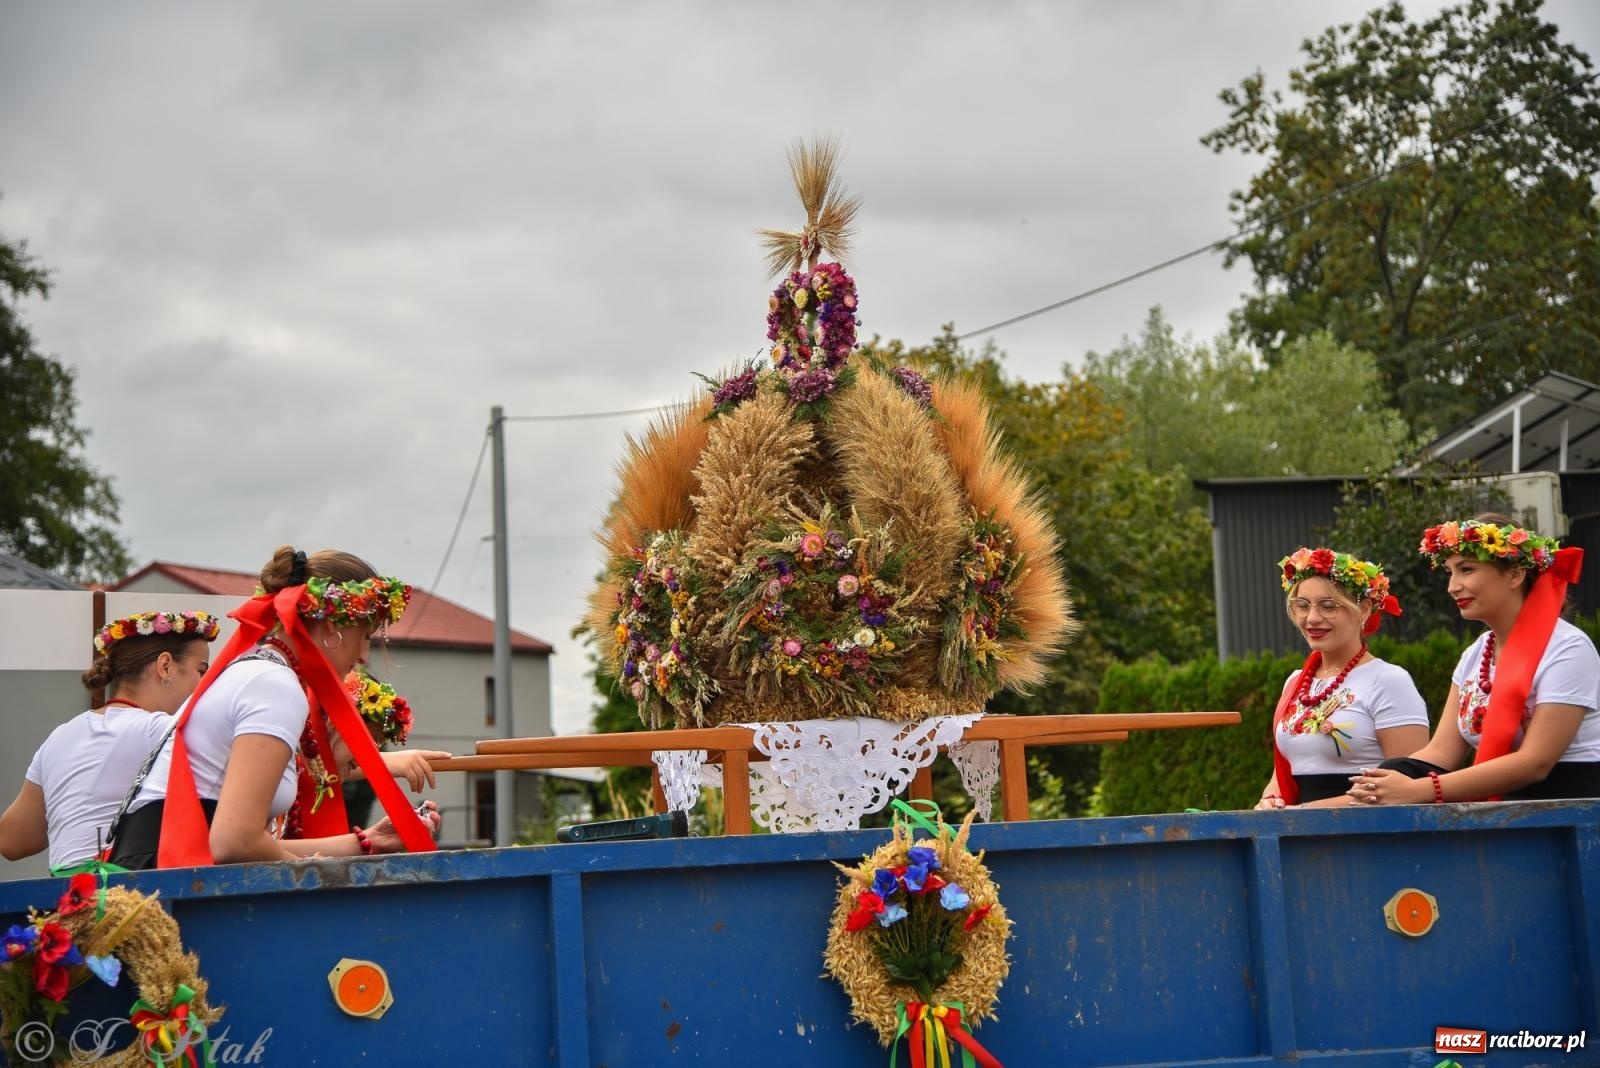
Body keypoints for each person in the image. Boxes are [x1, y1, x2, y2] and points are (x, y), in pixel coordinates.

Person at [109, 546, 441, 869]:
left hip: (166, 870)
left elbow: (239, 842)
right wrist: (324, 882)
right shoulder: (274, 684)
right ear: (331, 627)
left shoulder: (261, 671)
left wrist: (368, 842)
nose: (364, 657)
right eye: (366, 635)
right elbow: (234, 843)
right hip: (168, 880)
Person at [1350, 516, 1599, 804]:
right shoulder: (1476, 652)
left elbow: (1536, 762)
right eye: (1449, 573)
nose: (1452, 587)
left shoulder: (1567, 648)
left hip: (1568, 811)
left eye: (1466, 570)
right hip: (1502, 807)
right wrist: (1379, 782)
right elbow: (1442, 752)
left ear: (1515, 575)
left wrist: (1419, 790)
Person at [0, 611, 219, 872]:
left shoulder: (60, 736)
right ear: (166, 666)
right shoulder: (164, 730)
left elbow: (12, 840)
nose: (206, 685)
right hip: (130, 901)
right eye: (201, 671)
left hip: (65, 902)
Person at [1256, 547, 1429, 808]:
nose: (1312, 618)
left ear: (1364, 609)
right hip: (1298, 834)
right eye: (1302, 606)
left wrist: (1307, 812)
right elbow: (1283, 775)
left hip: (1367, 835)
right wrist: (1271, 802)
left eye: (1328, 606)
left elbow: (1410, 783)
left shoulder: (1388, 680)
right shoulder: (1295, 682)